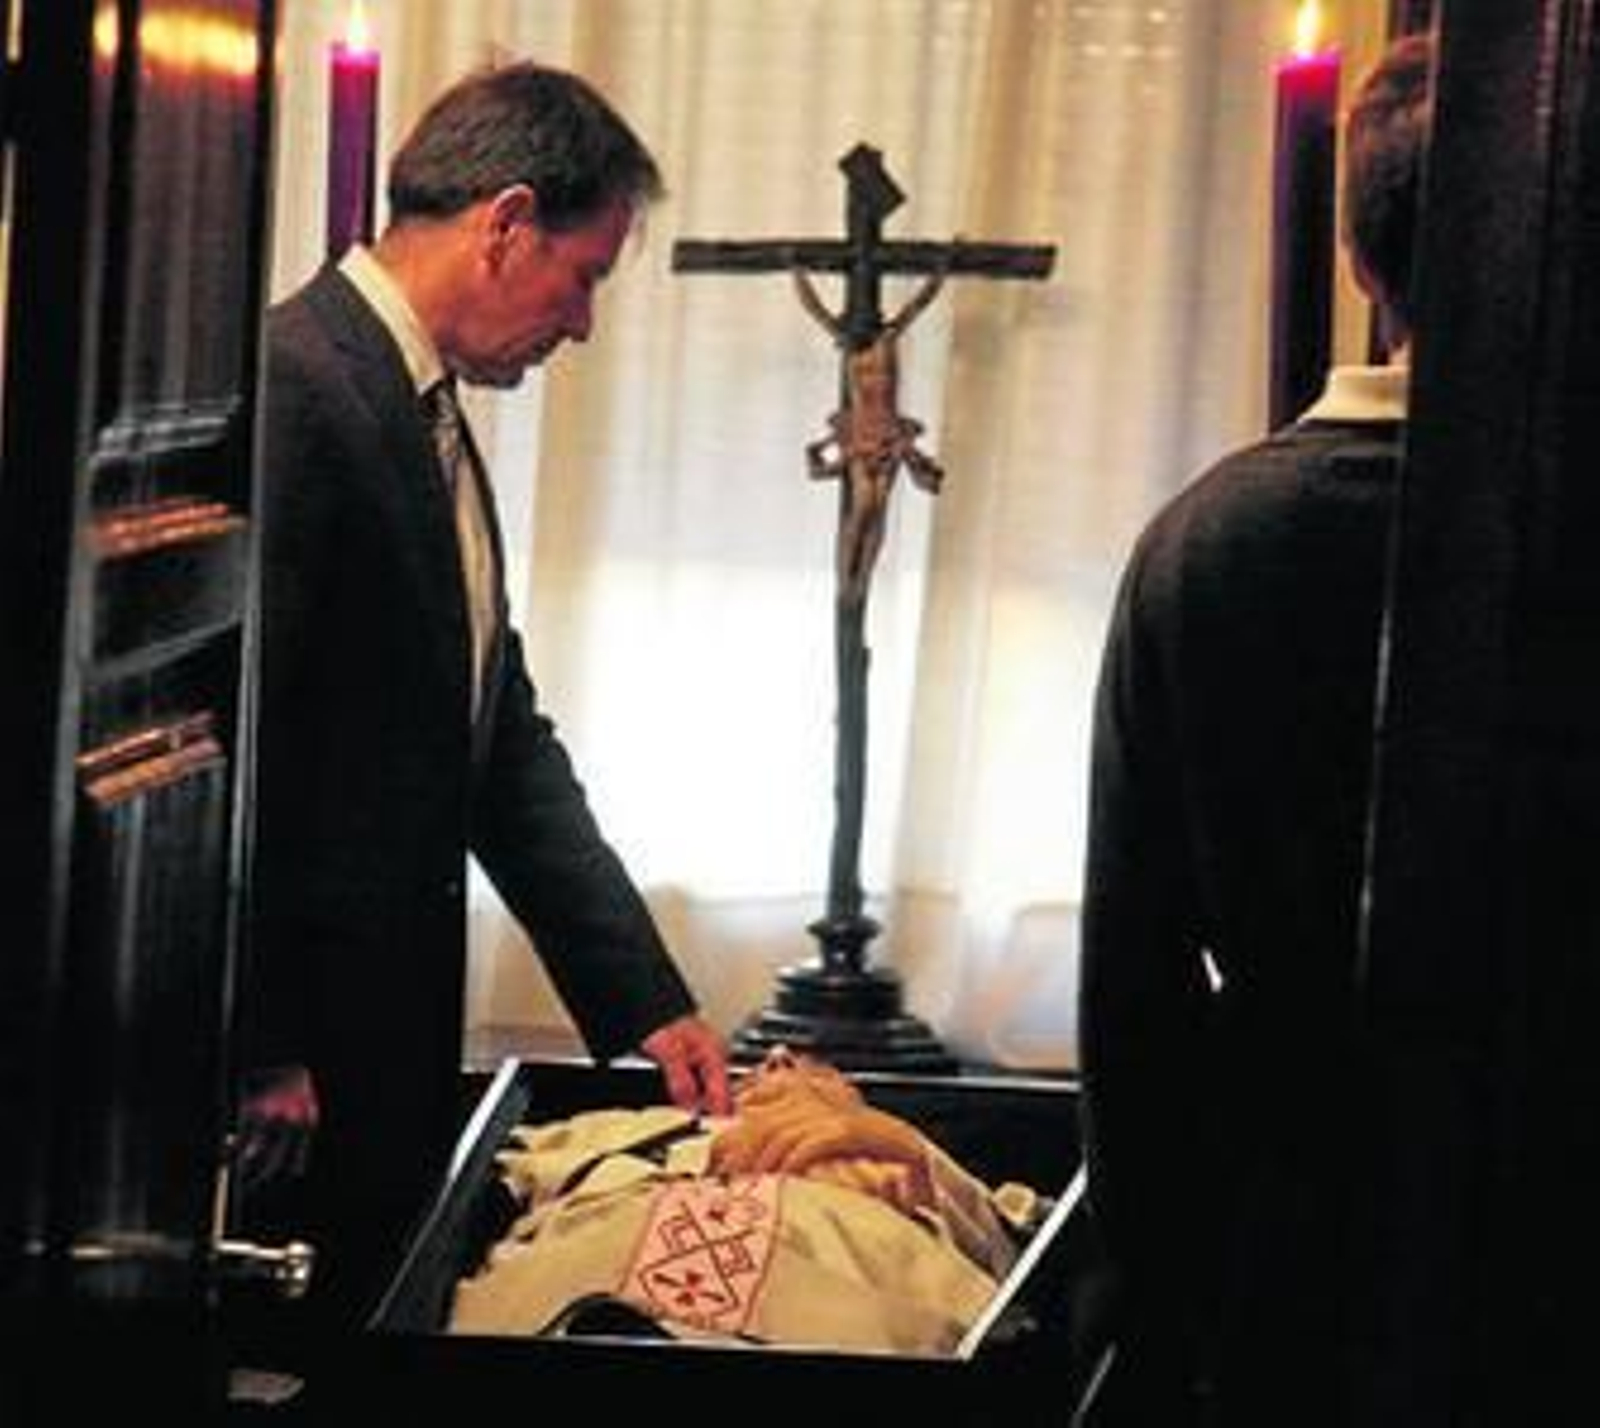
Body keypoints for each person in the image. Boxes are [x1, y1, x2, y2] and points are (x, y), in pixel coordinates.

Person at [233, 58, 733, 1354]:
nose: (583, 324)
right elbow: (241, 739)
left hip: (380, 1042)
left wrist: (644, 999)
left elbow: (497, 746)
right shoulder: (300, 389)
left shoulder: (415, 410)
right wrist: (259, 1044)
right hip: (298, 1075)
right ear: (507, 222)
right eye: (584, 275)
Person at [1074, 32, 1436, 1427]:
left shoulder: (1208, 541)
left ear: (1357, 261)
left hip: (1274, 1215)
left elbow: (1135, 966)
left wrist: (1140, 1293)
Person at [446, 1048, 1047, 1355]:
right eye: (753, 1073)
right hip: (606, 1259)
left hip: (842, 1280)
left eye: (817, 1069)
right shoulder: (635, 1127)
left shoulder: (904, 1158)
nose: (778, 1060)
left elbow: (1032, 1258)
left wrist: (905, 1149)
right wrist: (706, 1153)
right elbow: (503, 1174)